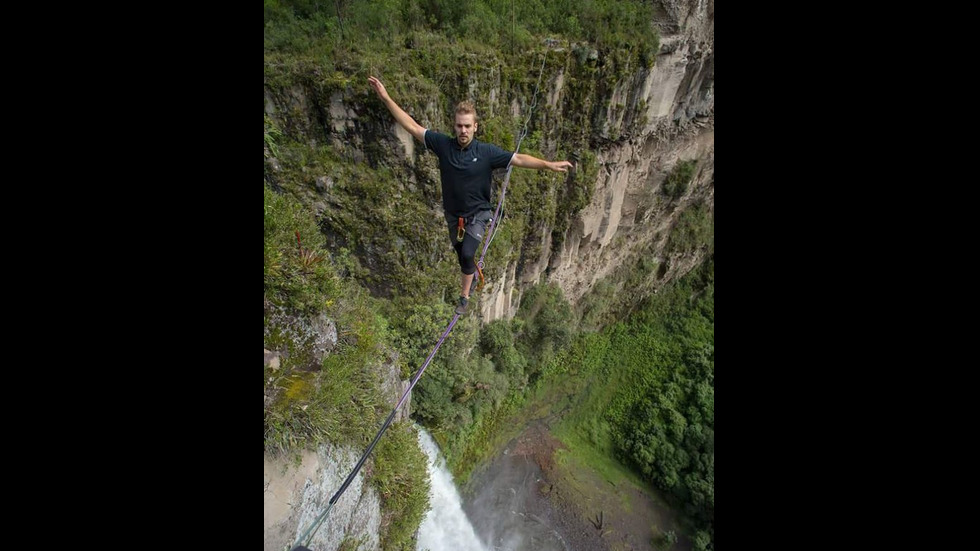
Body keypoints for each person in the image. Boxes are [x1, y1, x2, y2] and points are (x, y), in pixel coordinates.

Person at [368, 76, 573, 315]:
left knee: (468, 253)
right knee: (462, 257)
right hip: (454, 215)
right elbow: (412, 126)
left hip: (478, 213)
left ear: (475, 126)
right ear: (454, 126)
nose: (463, 130)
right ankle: (471, 277)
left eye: (467, 126)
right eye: (459, 126)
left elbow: (518, 159)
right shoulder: (443, 145)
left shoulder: (486, 152)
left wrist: (547, 165)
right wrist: (385, 97)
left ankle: (464, 297)